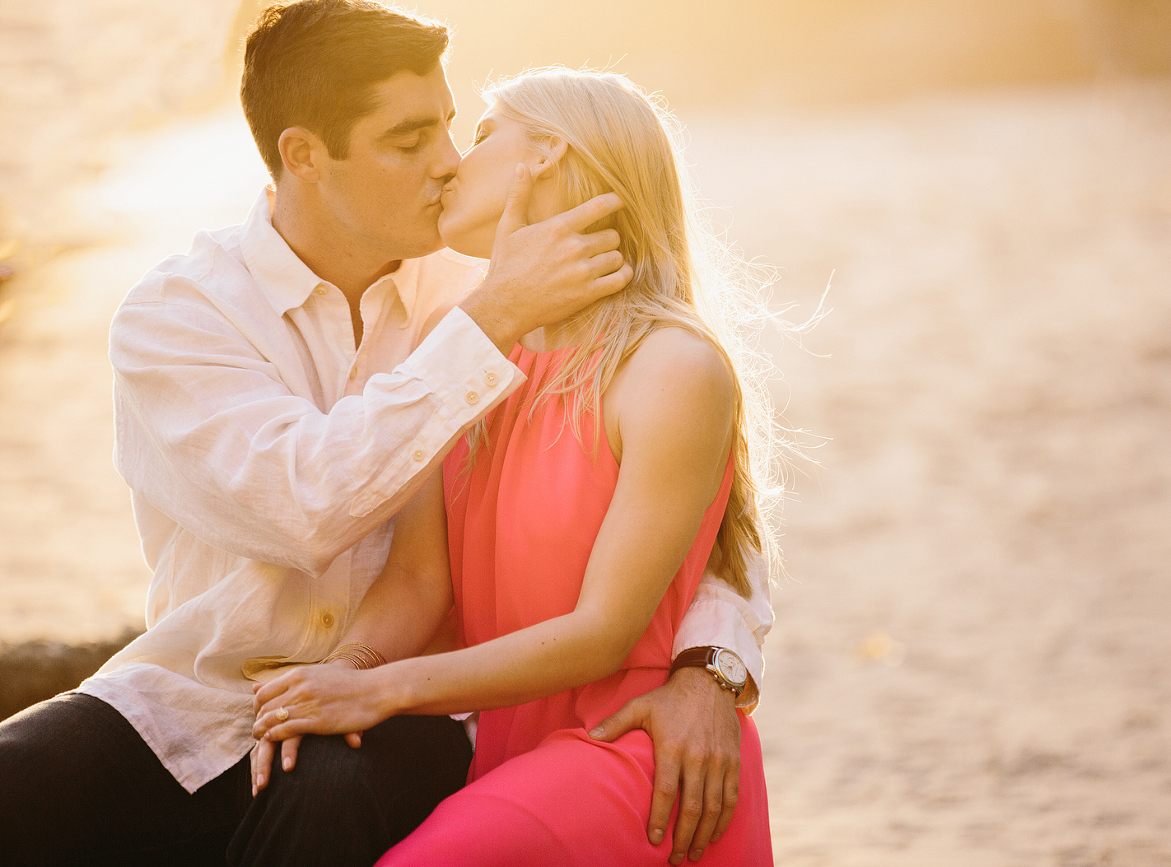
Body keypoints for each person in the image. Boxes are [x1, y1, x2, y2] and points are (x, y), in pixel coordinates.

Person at [0, 3, 771, 866]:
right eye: (409, 143)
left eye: (451, 128)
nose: (446, 164)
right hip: (207, 693)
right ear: (305, 156)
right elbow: (304, 504)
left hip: (421, 711)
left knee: (328, 790)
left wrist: (708, 668)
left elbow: (692, 520)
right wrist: (487, 320)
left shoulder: (487, 285)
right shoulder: (181, 317)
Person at [250, 67, 779, 866]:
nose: (452, 161)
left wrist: (382, 690)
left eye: (483, 133)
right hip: (507, 757)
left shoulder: (669, 366)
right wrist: (338, 675)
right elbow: (421, 581)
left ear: (546, 155)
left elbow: (605, 632)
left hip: (628, 749)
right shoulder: (467, 358)